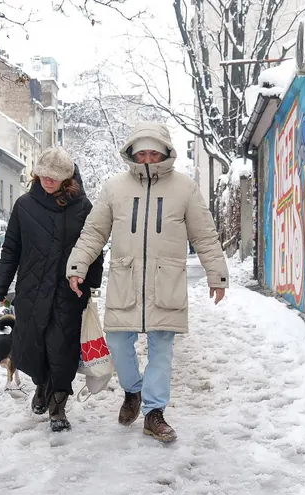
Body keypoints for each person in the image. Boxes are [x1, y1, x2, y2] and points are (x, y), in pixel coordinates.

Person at [66, 122, 228, 443]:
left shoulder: (185, 188)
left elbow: (204, 235)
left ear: (166, 152)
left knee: (162, 350)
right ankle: (132, 391)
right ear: (132, 153)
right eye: (142, 152)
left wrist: (217, 274)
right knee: (117, 342)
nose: (149, 158)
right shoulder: (114, 188)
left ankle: (154, 413)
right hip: (125, 280)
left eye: (155, 151)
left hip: (166, 282)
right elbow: (94, 233)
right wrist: (77, 266)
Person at [0, 147, 104, 432]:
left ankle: (58, 405)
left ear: (67, 179)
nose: (47, 180)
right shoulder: (24, 205)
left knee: (62, 350)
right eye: (43, 174)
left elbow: (94, 249)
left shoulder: (83, 208)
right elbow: (11, 249)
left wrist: (91, 284)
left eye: (54, 177)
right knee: (33, 346)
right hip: (30, 292)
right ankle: (41, 386)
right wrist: (0, 286)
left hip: (68, 293)